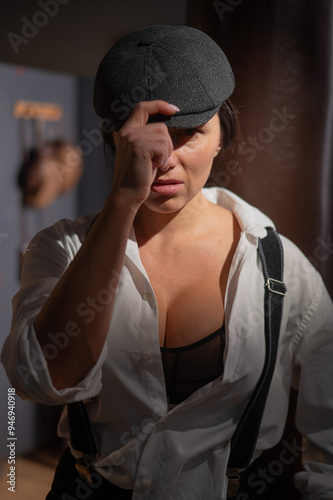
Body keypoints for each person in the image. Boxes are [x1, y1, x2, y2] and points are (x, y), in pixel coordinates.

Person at [2, 25, 333, 500]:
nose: (164, 159)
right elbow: (43, 380)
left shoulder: (274, 263)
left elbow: (328, 425)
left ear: (223, 134)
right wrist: (122, 203)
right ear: (115, 140)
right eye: (145, 139)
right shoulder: (62, 249)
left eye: (188, 135)